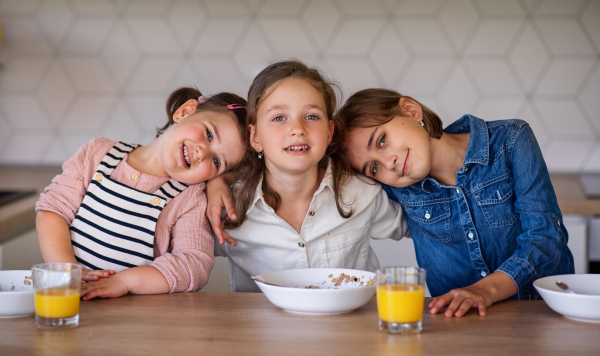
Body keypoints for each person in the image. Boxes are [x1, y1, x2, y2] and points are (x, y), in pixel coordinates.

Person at [336, 88, 575, 317]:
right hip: (462, 326)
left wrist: (484, 290)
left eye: (381, 141)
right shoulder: (396, 188)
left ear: (411, 110)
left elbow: (545, 240)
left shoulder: (511, 140)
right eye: (374, 167)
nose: (389, 163)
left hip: (543, 315)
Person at [206, 61, 407, 292]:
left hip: (350, 327)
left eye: (311, 116)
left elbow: (426, 227)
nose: (298, 128)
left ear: (330, 132)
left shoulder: (363, 193)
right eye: (279, 118)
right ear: (255, 137)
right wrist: (215, 180)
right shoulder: (227, 207)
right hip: (259, 329)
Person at [36, 88, 248, 300]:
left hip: (131, 317)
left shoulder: (190, 199)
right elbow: (52, 211)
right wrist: (69, 273)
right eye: (209, 134)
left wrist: (123, 282)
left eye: (217, 161)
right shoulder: (97, 154)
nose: (204, 153)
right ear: (185, 112)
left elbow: (194, 264)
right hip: (65, 299)